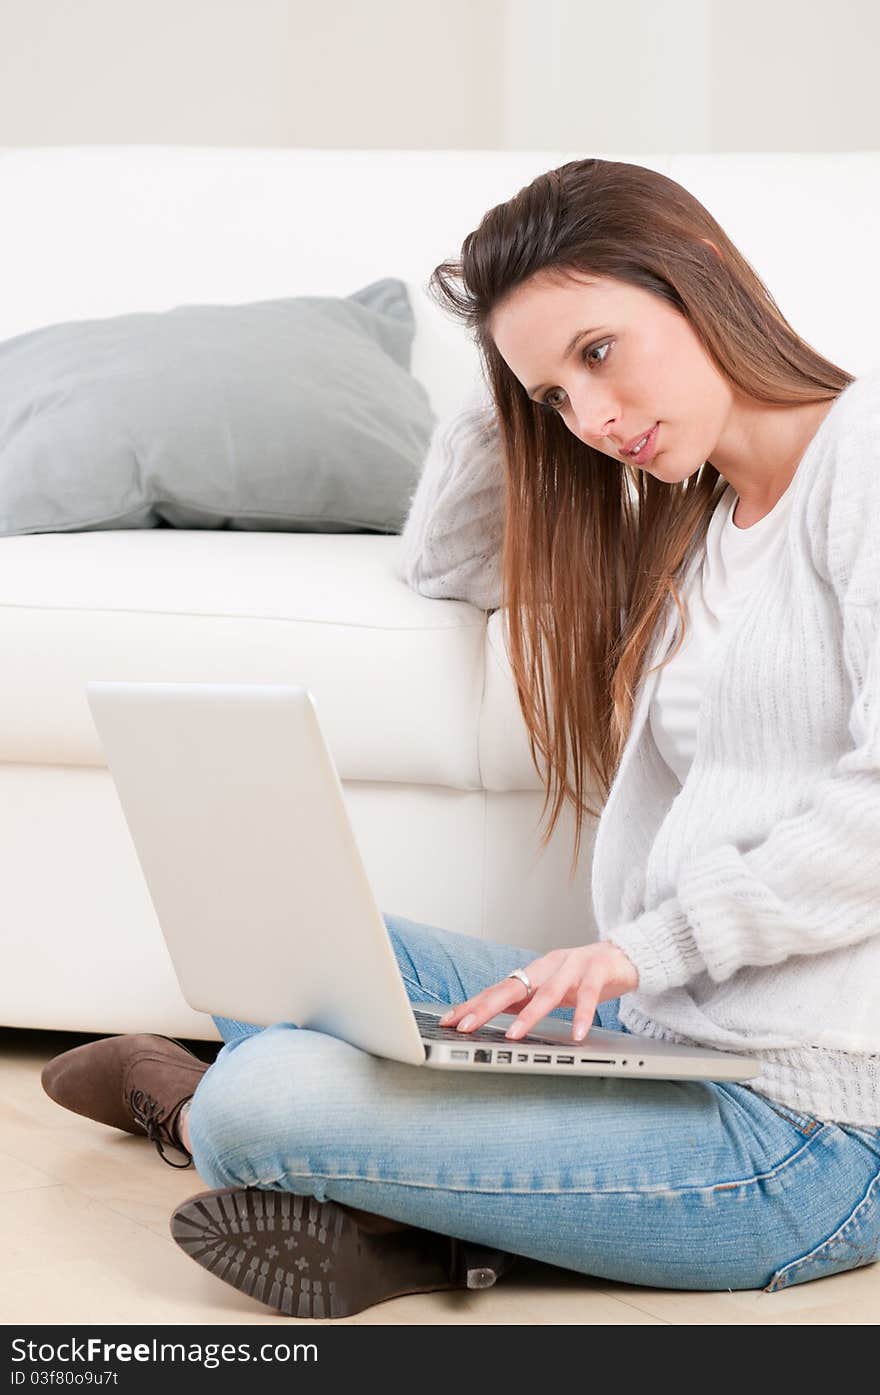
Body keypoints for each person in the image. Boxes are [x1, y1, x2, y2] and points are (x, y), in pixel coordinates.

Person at [42, 157, 880, 1319]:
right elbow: (445, 562)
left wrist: (641, 948)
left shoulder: (865, 460)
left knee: (262, 1097)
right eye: (556, 401)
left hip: (811, 1133)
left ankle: (206, 1113)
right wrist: (515, 384)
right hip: (673, 1027)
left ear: (700, 281)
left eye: (600, 354)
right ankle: (419, 1207)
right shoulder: (696, 517)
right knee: (293, 948)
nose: (590, 422)